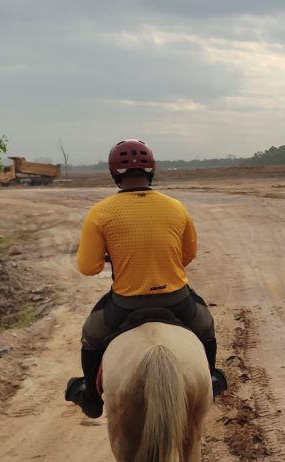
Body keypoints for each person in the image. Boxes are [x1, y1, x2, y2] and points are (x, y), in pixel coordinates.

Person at [64, 139, 227, 418]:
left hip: (125, 304)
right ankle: (210, 381)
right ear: (151, 170)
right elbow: (188, 253)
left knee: (91, 337)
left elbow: (88, 268)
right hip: (177, 300)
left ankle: (91, 398)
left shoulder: (100, 212)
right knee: (206, 329)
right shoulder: (176, 207)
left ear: (114, 173)